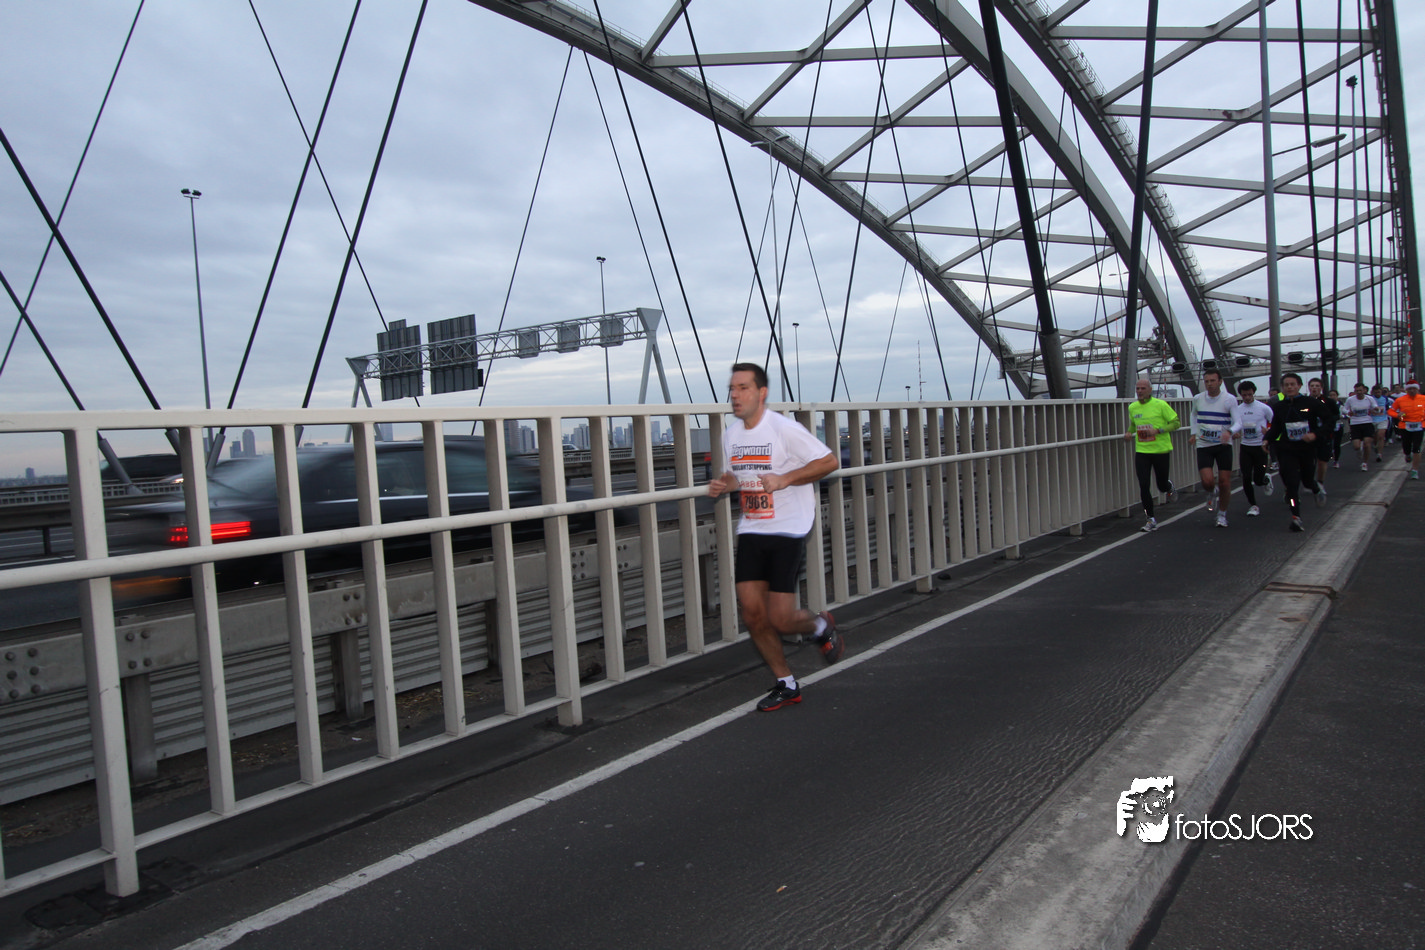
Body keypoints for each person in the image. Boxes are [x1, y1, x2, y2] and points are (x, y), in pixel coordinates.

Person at [707, 362, 844, 712]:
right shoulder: (731, 434)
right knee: (753, 614)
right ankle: (787, 684)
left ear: (762, 393)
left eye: (743, 388)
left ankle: (819, 625)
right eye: (732, 388)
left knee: (781, 619)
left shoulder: (784, 428)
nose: (735, 395)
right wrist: (725, 483)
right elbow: (737, 474)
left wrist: (785, 479)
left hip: (788, 528)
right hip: (752, 528)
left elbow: (829, 462)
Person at [1265, 372, 1327, 532]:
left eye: (1292, 384)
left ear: (1299, 386)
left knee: (1307, 481)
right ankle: (1296, 517)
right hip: (1287, 449)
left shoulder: (1311, 403)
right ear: (1282, 388)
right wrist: (1267, 440)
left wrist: (1315, 434)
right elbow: (1276, 427)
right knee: (1291, 484)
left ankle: (1316, 488)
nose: (1289, 387)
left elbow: (1329, 421)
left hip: (1306, 449)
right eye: (1286, 385)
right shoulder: (1279, 407)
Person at [1124, 376, 1179, 532]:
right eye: (1137, 389)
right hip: (1142, 451)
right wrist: (1129, 432)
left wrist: (1158, 430)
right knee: (1143, 484)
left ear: (1150, 390)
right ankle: (1150, 519)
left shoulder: (1160, 405)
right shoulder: (1133, 407)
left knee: (1161, 485)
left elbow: (1176, 423)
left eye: (1143, 388)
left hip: (1160, 450)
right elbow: (1134, 425)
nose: (1140, 391)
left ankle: (1168, 486)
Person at [1188, 368, 1236, 527]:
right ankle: (1211, 491)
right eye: (1207, 381)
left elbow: (1238, 421)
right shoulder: (1198, 398)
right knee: (1207, 481)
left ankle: (1222, 514)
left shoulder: (1229, 399)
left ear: (1220, 381)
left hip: (1223, 445)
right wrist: (1193, 433)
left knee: (1224, 482)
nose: (1209, 384)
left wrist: (1230, 431)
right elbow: (1193, 415)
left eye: (1213, 381)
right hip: (1204, 443)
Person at [1230, 380, 1274, 517]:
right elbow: (1233, 426)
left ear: (1253, 393)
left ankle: (1265, 479)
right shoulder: (1238, 410)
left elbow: (1275, 423)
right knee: (1246, 477)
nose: (1247, 397)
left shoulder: (1263, 408)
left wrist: (1268, 432)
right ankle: (1253, 505)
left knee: (1258, 480)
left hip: (1260, 447)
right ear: (1241, 395)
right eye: (1244, 395)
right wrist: (1234, 433)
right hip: (1246, 447)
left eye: (1249, 394)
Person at [1387, 379, 1424, 480]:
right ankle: (1407, 454)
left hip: (1419, 426)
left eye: (1414, 389)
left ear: (1417, 389)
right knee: (1406, 446)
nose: (1412, 390)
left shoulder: (1423, 399)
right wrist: (1397, 415)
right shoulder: (1400, 400)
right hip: (1405, 426)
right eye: (1410, 389)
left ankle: (1415, 470)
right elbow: (1390, 411)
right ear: (1407, 390)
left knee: (1416, 448)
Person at [1307, 378, 1340, 489]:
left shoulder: (1329, 402)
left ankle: (1320, 483)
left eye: (1317, 386)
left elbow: (1336, 415)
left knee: (1322, 461)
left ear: (1321, 388)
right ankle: (1309, 482)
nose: (1314, 388)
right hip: (1309, 435)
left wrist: (1328, 420)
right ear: (1309, 388)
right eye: (1312, 386)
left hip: (1324, 435)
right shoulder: (1305, 401)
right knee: (1309, 462)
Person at [1343, 381, 1377, 470]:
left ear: (1364, 390)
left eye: (1360, 390)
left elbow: (1374, 406)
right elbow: (1344, 409)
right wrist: (1348, 412)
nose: (1359, 392)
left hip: (1367, 422)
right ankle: (1359, 451)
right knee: (1356, 446)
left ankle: (1365, 463)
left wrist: (1376, 409)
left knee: (1367, 444)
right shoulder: (1350, 399)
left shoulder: (1369, 398)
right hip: (1355, 424)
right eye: (1357, 391)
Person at [1372, 384, 1391, 461]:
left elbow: (1388, 407)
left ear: (1381, 392)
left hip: (1383, 419)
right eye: (1376, 392)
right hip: (1372, 419)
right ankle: (1375, 445)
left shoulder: (1385, 398)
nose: (1377, 394)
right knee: (1375, 437)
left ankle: (1379, 454)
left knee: (1381, 435)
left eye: (1379, 392)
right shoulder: (1371, 399)